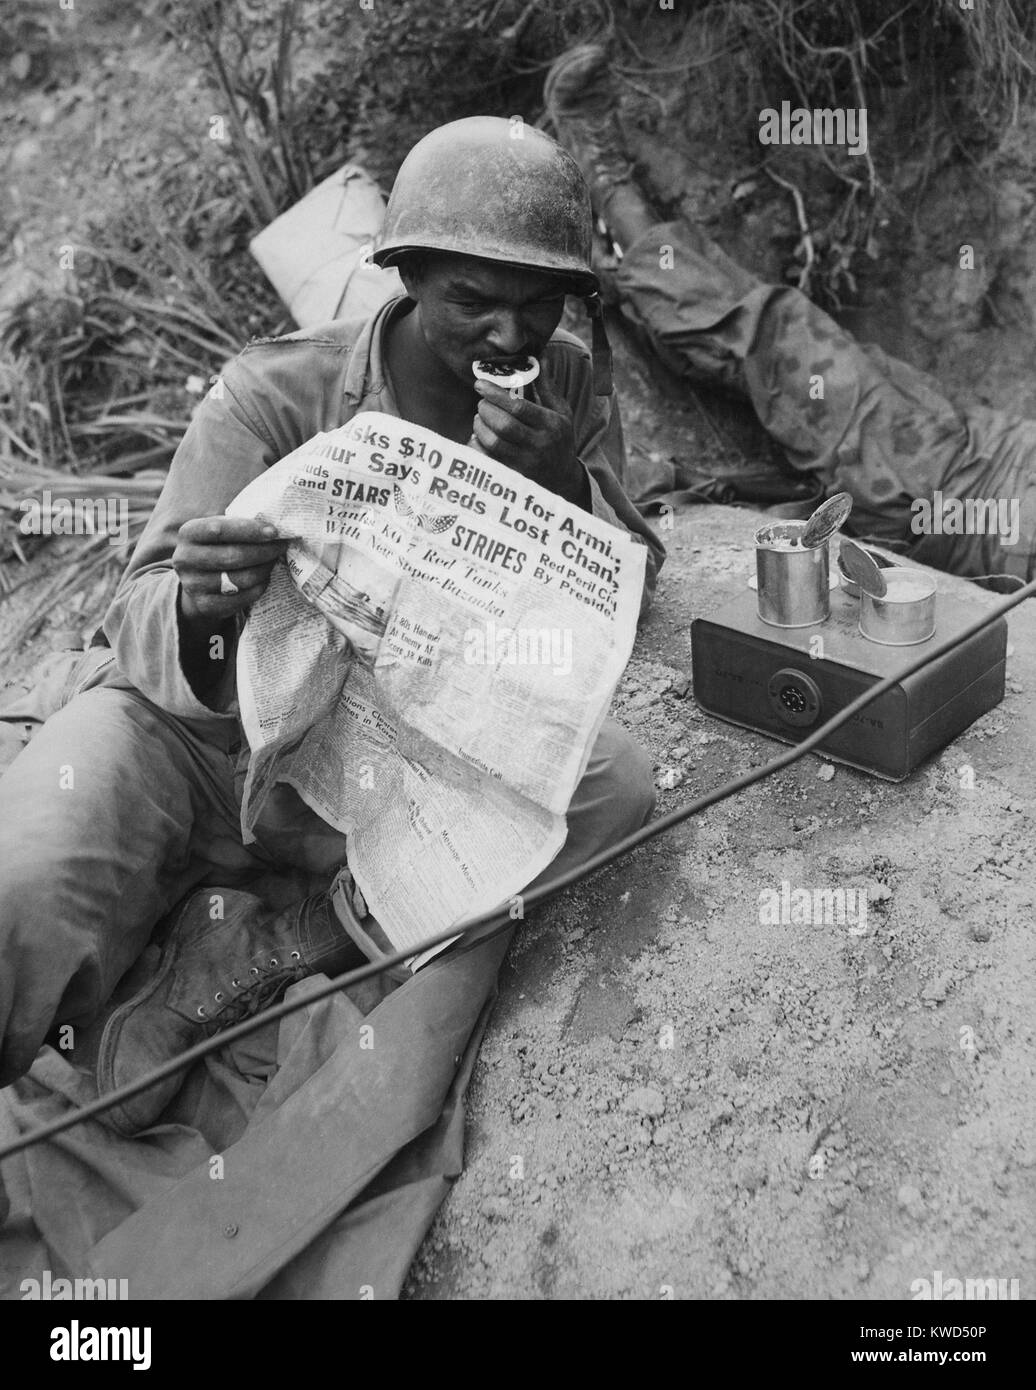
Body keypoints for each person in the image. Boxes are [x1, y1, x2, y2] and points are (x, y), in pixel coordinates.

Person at [0, 117, 663, 1152]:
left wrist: (564, 488)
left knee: (611, 784)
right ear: (407, 276)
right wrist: (202, 604)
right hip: (189, 741)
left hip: (370, 748)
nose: (509, 336)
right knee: (21, 885)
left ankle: (278, 941)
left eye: (538, 306)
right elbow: (137, 609)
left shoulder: (564, 382)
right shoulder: (273, 394)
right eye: (472, 302)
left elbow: (629, 579)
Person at [545, 44, 1036, 587]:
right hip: (984, 453)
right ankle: (634, 276)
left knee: (780, 337)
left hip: (951, 485)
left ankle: (613, 198)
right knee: (816, 382)